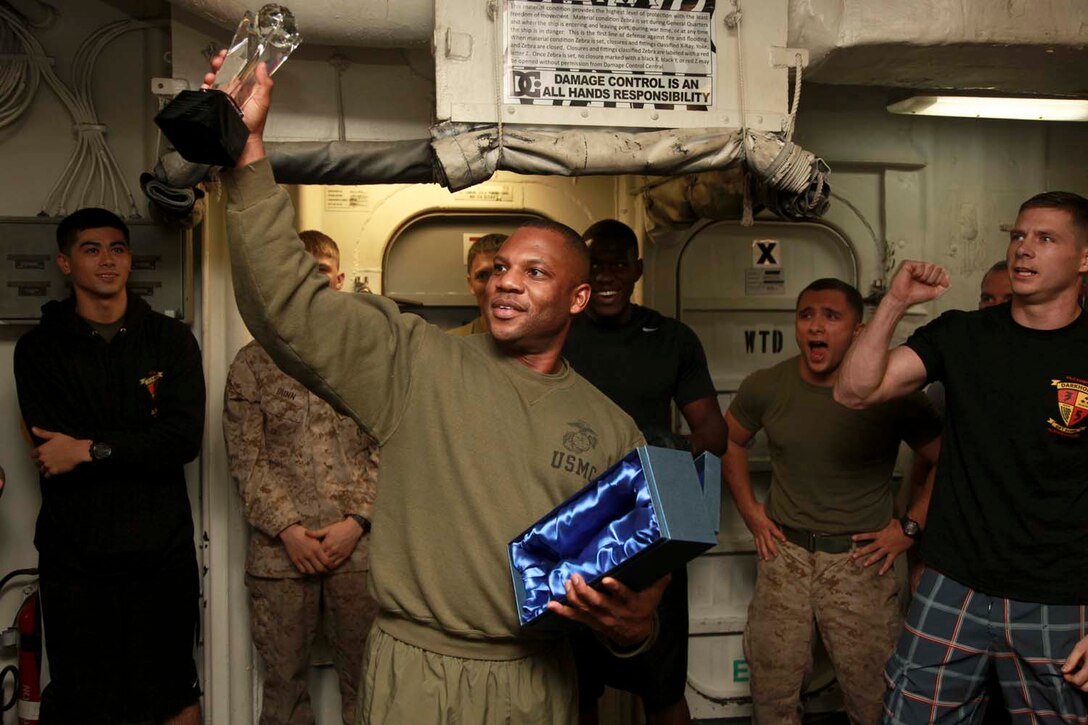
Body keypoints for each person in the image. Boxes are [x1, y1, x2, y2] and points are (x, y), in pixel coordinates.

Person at [209, 55, 666, 724]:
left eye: (535, 272)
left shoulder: (608, 426)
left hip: (532, 677)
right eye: (503, 265)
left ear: (575, 297)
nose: (508, 280)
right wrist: (247, 155)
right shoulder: (416, 361)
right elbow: (289, 306)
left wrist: (636, 629)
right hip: (414, 669)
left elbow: (637, 578)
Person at [834, 191, 1088, 722]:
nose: (1024, 249)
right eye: (1018, 236)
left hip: (1060, 594)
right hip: (955, 584)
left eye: (1045, 238)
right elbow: (854, 391)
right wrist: (896, 302)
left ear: (1084, 259)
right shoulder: (961, 334)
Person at [13, 207, 204, 724]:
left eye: (117, 249)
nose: (107, 260)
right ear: (65, 262)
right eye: (91, 249)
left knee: (174, 695)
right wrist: (139, 438)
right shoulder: (38, 350)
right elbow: (53, 446)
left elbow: (182, 439)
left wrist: (91, 448)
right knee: (84, 700)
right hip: (76, 558)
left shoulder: (170, 341)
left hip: (160, 556)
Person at [724, 278, 941, 724]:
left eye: (831, 316)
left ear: (859, 331)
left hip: (859, 562)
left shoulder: (890, 394)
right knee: (772, 694)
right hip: (785, 556)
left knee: (872, 698)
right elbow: (729, 440)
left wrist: (909, 527)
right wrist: (751, 512)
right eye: (806, 315)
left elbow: (948, 459)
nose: (815, 327)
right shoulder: (767, 386)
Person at [562, 218, 728, 725]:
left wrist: (656, 457)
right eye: (596, 264)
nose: (607, 275)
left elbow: (714, 435)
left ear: (636, 270)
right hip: (572, 521)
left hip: (649, 525)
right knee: (573, 682)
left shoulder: (671, 339)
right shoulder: (559, 332)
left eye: (618, 263)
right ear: (581, 273)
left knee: (661, 681)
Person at [223, 229, 380, 725]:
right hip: (279, 554)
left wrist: (356, 520)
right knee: (284, 688)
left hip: (358, 549)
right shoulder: (252, 363)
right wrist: (290, 530)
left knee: (371, 683)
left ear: (338, 281)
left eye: (321, 277)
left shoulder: (368, 359)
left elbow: (391, 445)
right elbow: (246, 459)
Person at [448, 232, 507, 335]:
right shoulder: (449, 344)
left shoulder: (542, 345)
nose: (492, 286)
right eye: (483, 276)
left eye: (501, 271)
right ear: (471, 284)